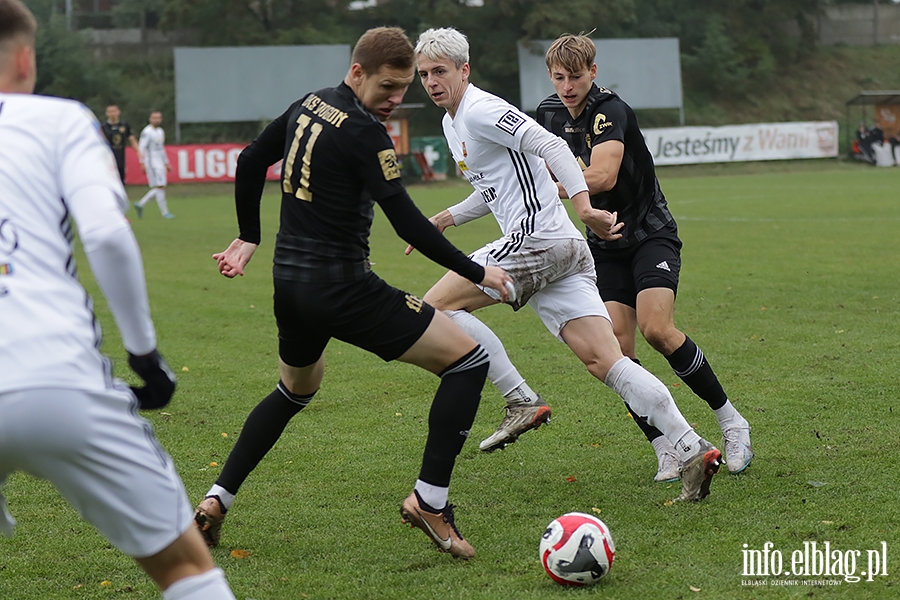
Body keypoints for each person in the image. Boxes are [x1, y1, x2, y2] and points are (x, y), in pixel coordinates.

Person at [192, 27, 514, 560]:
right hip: (343, 289)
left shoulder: (308, 105)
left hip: (290, 286)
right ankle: (430, 502)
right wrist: (476, 271)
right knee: (468, 361)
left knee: (294, 389)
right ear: (357, 71)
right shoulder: (366, 134)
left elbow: (251, 160)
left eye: (404, 88)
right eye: (388, 87)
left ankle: (214, 502)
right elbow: (408, 224)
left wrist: (250, 235)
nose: (395, 99)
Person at [411, 27, 721, 503]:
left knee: (435, 308)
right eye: (425, 73)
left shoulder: (481, 109)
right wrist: (448, 217)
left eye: (441, 71)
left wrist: (584, 205)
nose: (432, 81)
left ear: (464, 70)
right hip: (562, 250)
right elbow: (496, 187)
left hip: (536, 241)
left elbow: (551, 148)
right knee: (607, 360)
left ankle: (519, 398)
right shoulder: (454, 123)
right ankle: (690, 447)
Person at [0, 2, 235, 598]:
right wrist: (144, 357)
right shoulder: (57, 120)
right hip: (52, 374)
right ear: (27, 57)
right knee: (186, 569)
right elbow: (106, 232)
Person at [535, 33, 753, 479]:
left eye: (575, 76)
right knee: (616, 349)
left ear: (592, 73)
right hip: (604, 245)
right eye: (559, 77)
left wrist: (548, 188)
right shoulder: (547, 114)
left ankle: (732, 422)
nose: (567, 86)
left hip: (650, 234)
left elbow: (603, 174)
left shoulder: (609, 110)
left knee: (657, 329)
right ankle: (666, 445)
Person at [135, 110, 174, 219]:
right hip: (151, 163)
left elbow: (161, 149)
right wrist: (141, 162)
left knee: (159, 187)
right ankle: (165, 212)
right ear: (150, 119)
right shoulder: (147, 132)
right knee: (160, 187)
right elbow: (141, 148)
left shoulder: (160, 131)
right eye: (154, 118)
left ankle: (140, 204)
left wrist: (166, 162)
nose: (157, 120)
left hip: (160, 162)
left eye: (158, 118)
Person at [100, 103, 142, 185]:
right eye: (110, 112)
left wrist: (138, 151)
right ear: (106, 113)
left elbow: (131, 139)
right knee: (109, 179)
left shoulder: (124, 125)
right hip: (107, 158)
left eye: (114, 111)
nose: (112, 114)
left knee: (121, 180)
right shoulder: (103, 127)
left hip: (120, 157)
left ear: (118, 112)